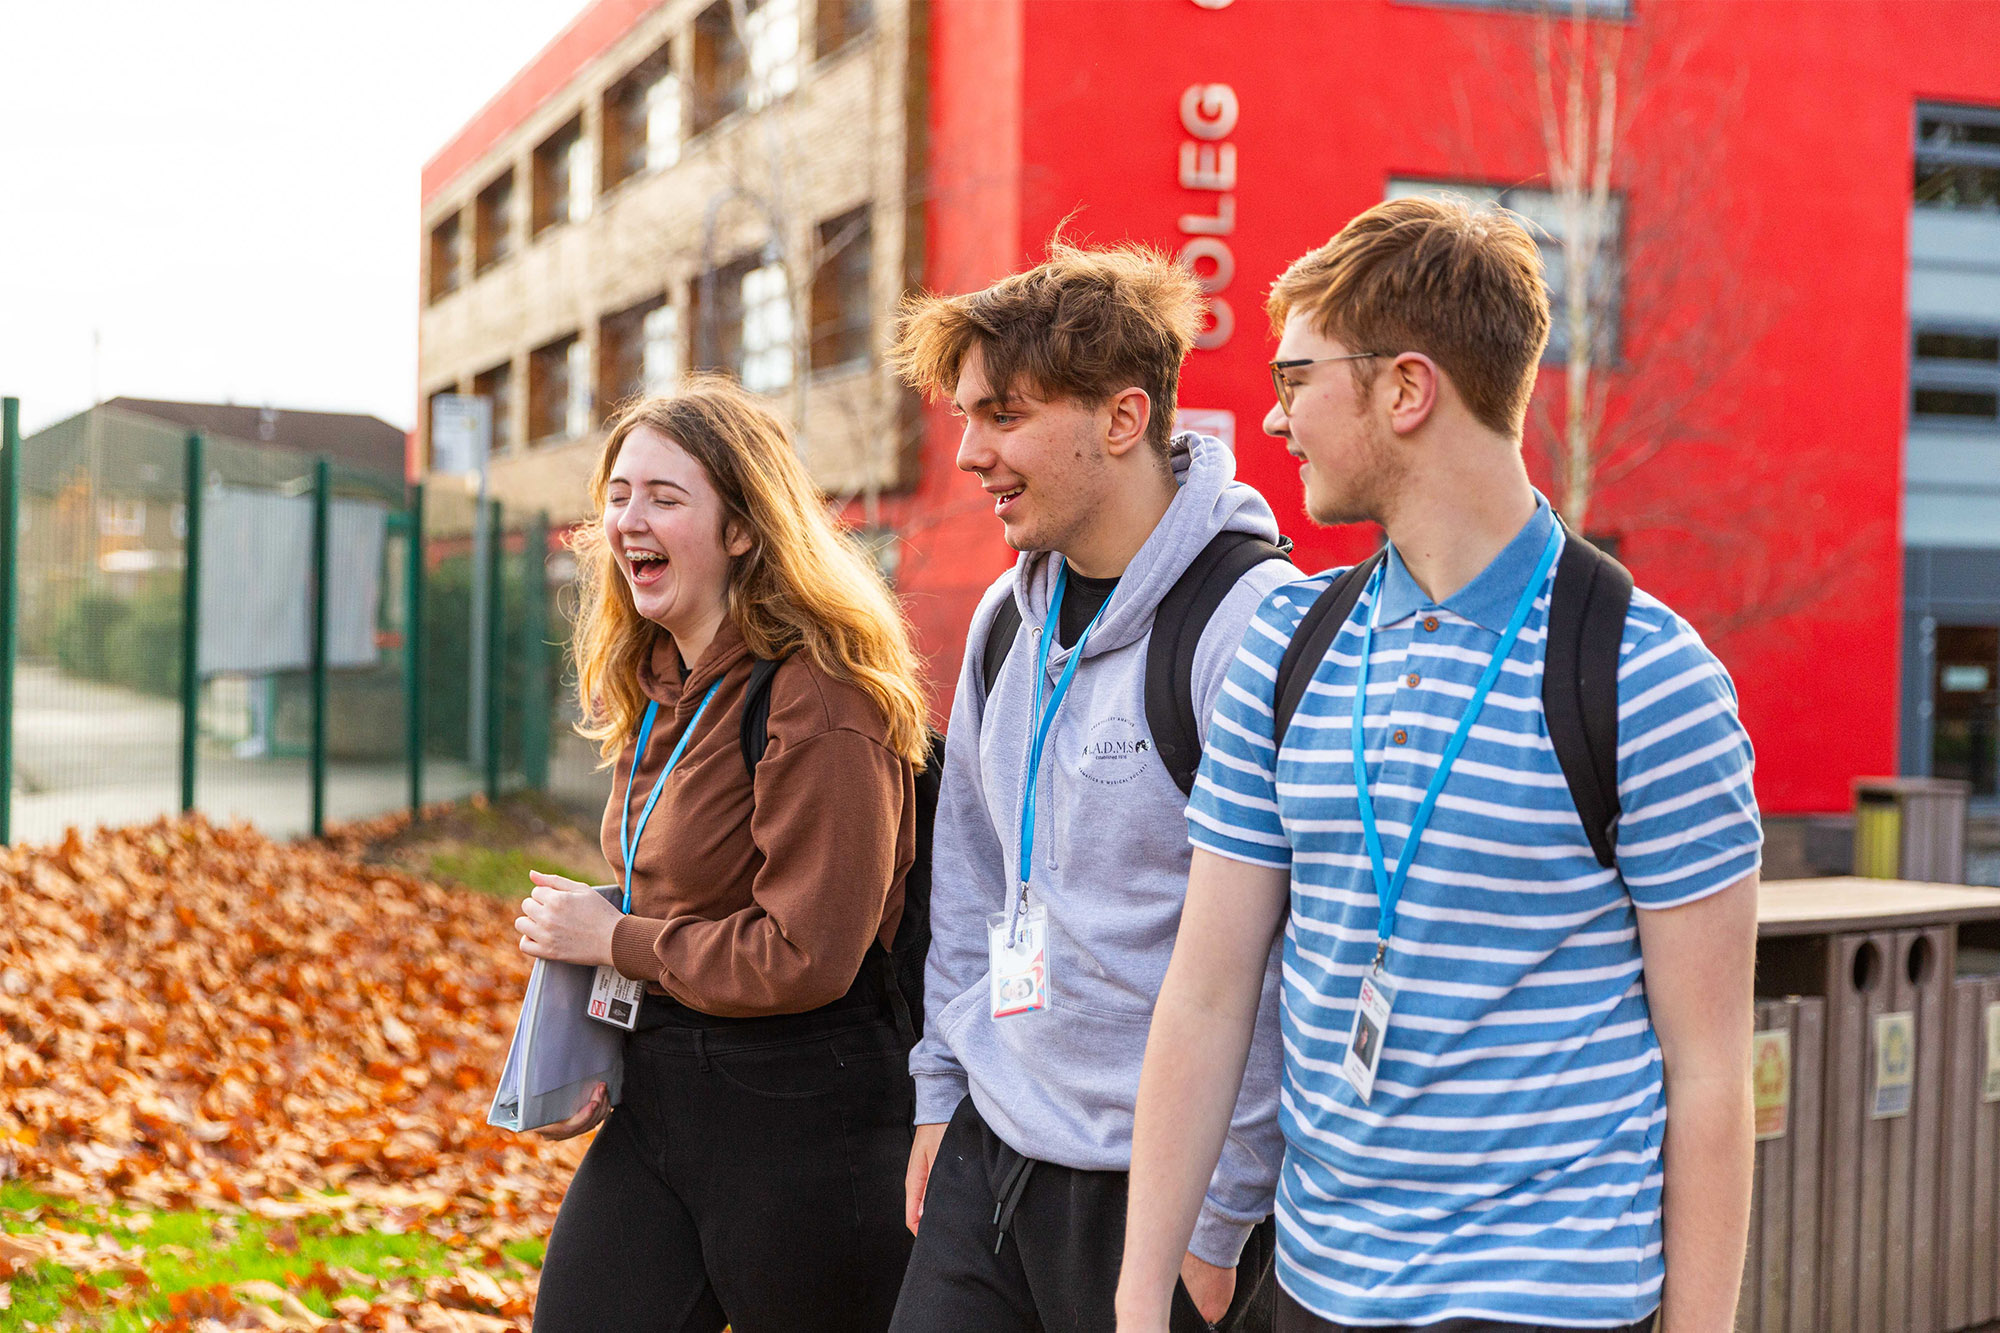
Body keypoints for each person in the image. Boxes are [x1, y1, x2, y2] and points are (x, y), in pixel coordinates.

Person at [1116, 197, 1763, 1333]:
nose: (1275, 420)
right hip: (1315, 1287)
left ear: (1404, 389)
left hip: (1549, 1297)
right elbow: (1207, 992)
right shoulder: (1282, 644)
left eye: (1296, 378)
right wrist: (1135, 1293)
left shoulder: (1644, 679)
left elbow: (1708, 1076)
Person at [885, 242, 1294, 1333]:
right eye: (966, 414)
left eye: (1004, 415)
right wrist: (940, 1093)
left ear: (1121, 420)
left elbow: (1280, 945)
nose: (969, 452)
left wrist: (1217, 1213)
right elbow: (968, 877)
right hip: (991, 1150)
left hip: (1159, 1188)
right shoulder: (1003, 619)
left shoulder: (1247, 622)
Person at [514, 378, 929, 1333]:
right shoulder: (656, 682)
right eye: (618, 494)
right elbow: (667, 893)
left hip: (805, 1114)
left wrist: (616, 941)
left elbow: (809, 952)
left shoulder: (820, 695)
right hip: (663, 1095)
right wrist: (599, 1031)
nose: (628, 520)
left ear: (743, 528)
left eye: (665, 495)